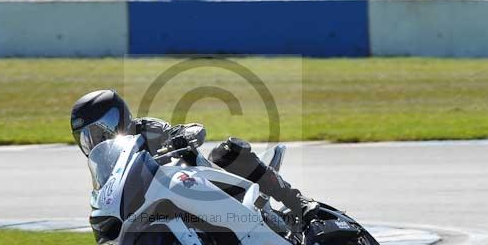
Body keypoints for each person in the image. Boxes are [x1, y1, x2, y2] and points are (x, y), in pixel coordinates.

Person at [71, 89, 318, 223]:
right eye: (87, 137)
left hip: (200, 183)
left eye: (99, 130)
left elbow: (177, 130)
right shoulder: (105, 162)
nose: (96, 141)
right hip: (164, 209)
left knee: (228, 153)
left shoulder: (145, 129)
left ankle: (298, 202)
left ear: (119, 117)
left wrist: (185, 134)